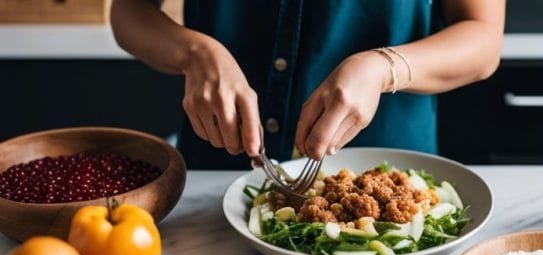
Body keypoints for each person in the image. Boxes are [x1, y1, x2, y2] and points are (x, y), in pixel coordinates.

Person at [111, 0, 505, 169]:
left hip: (387, 176)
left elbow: (482, 37)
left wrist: (382, 68)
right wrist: (194, 52)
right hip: (216, 174)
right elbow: (130, 12)